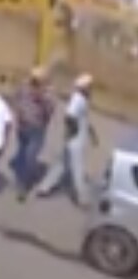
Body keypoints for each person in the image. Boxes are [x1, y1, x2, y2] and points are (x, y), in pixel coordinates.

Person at [37, 73, 96, 207]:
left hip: (73, 139)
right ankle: (82, 198)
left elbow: (83, 118)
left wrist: (92, 134)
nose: (91, 88)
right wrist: (73, 132)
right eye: (89, 86)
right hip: (75, 141)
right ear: (84, 87)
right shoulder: (78, 99)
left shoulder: (82, 99)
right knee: (77, 169)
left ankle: (44, 188)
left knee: (60, 164)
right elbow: (70, 116)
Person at [11, 67, 56, 200]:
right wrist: (19, 113)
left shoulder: (48, 93)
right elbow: (16, 98)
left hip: (37, 130)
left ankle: (23, 186)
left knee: (30, 157)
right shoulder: (24, 86)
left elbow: (50, 111)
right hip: (23, 127)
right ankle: (20, 177)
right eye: (33, 79)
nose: (34, 82)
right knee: (22, 153)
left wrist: (42, 99)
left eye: (38, 80)